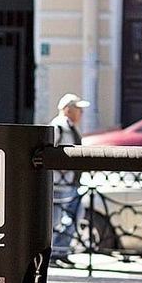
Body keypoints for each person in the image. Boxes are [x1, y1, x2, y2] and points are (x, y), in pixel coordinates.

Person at [49, 93, 90, 265]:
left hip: (70, 181)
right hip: (60, 182)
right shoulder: (58, 127)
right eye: (78, 109)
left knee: (71, 216)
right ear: (67, 110)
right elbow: (50, 151)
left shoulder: (70, 127)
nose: (81, 113)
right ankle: (55, 252)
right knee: (59, 218)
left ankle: (60, 251)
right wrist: (61, 166)